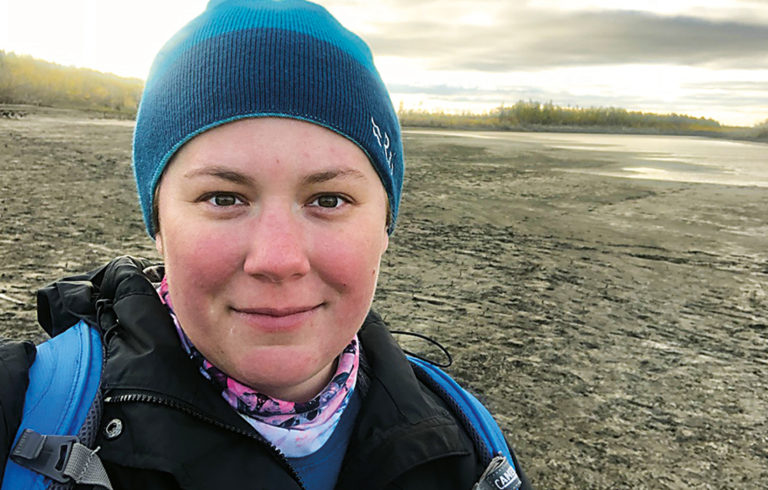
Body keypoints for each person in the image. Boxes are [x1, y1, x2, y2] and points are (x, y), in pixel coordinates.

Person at [0, 0, 531, 488]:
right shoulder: (21, 413)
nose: (278, 260)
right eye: (223, 198)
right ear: (157, 224)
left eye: (328, 200)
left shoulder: (471, 448)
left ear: (385, 227)